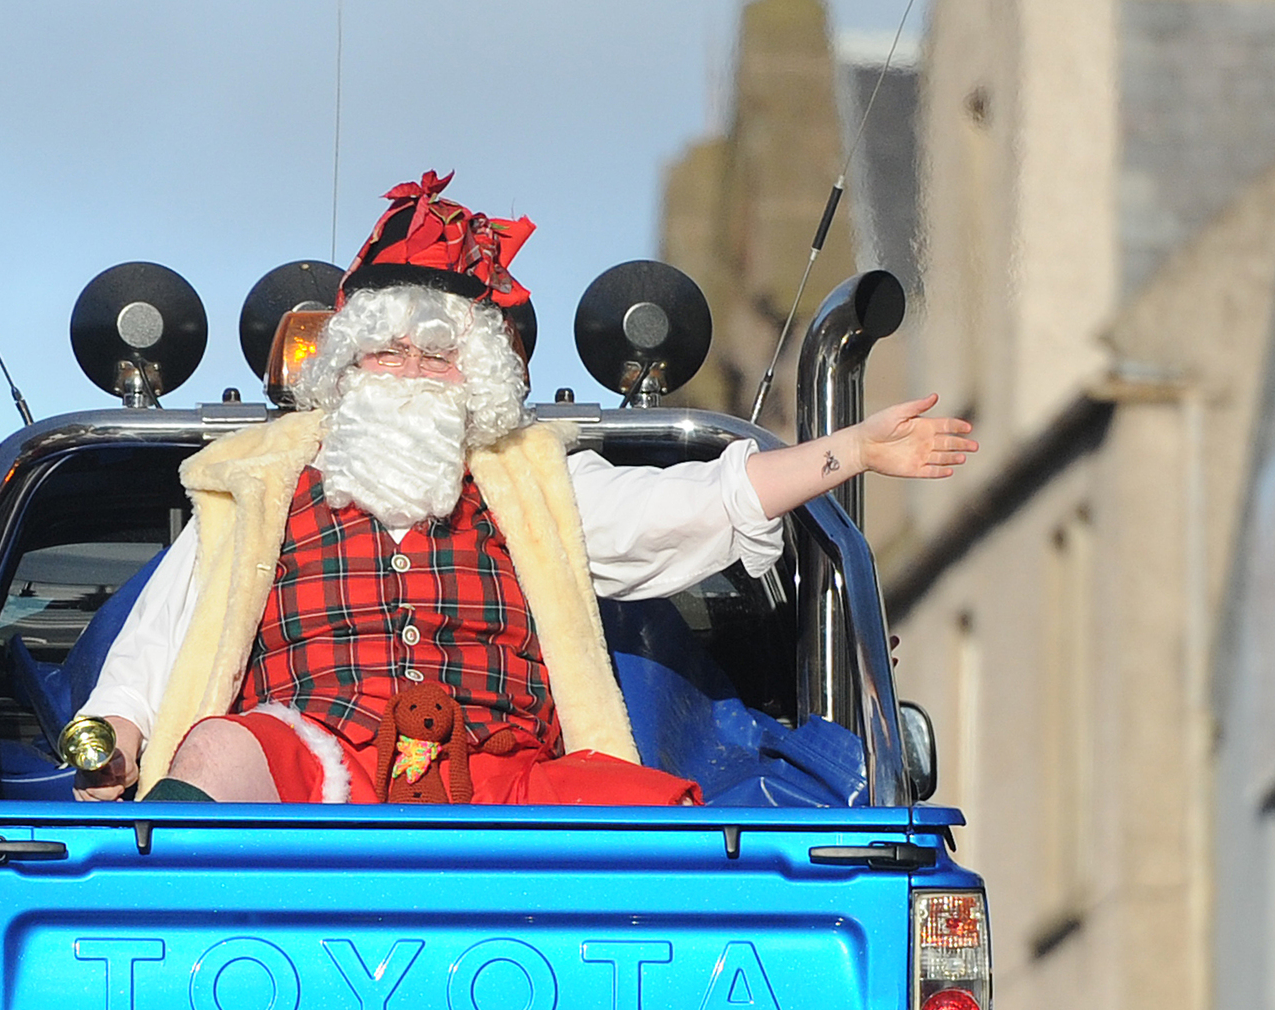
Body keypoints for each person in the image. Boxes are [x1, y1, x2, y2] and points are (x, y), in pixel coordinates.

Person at [73, 171, 976, 806]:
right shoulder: (257, 486)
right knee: (221, 749)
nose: (410, 371)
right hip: (314, 773)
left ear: (472, 373)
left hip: (502, 789)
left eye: (437, 353)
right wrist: (114, 734)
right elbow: (157, 642)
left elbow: (693, 503)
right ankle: (168, 943)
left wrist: (848, 450)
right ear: (350, 366)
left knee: (661, 817)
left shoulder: (529, 484)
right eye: (388, 349)